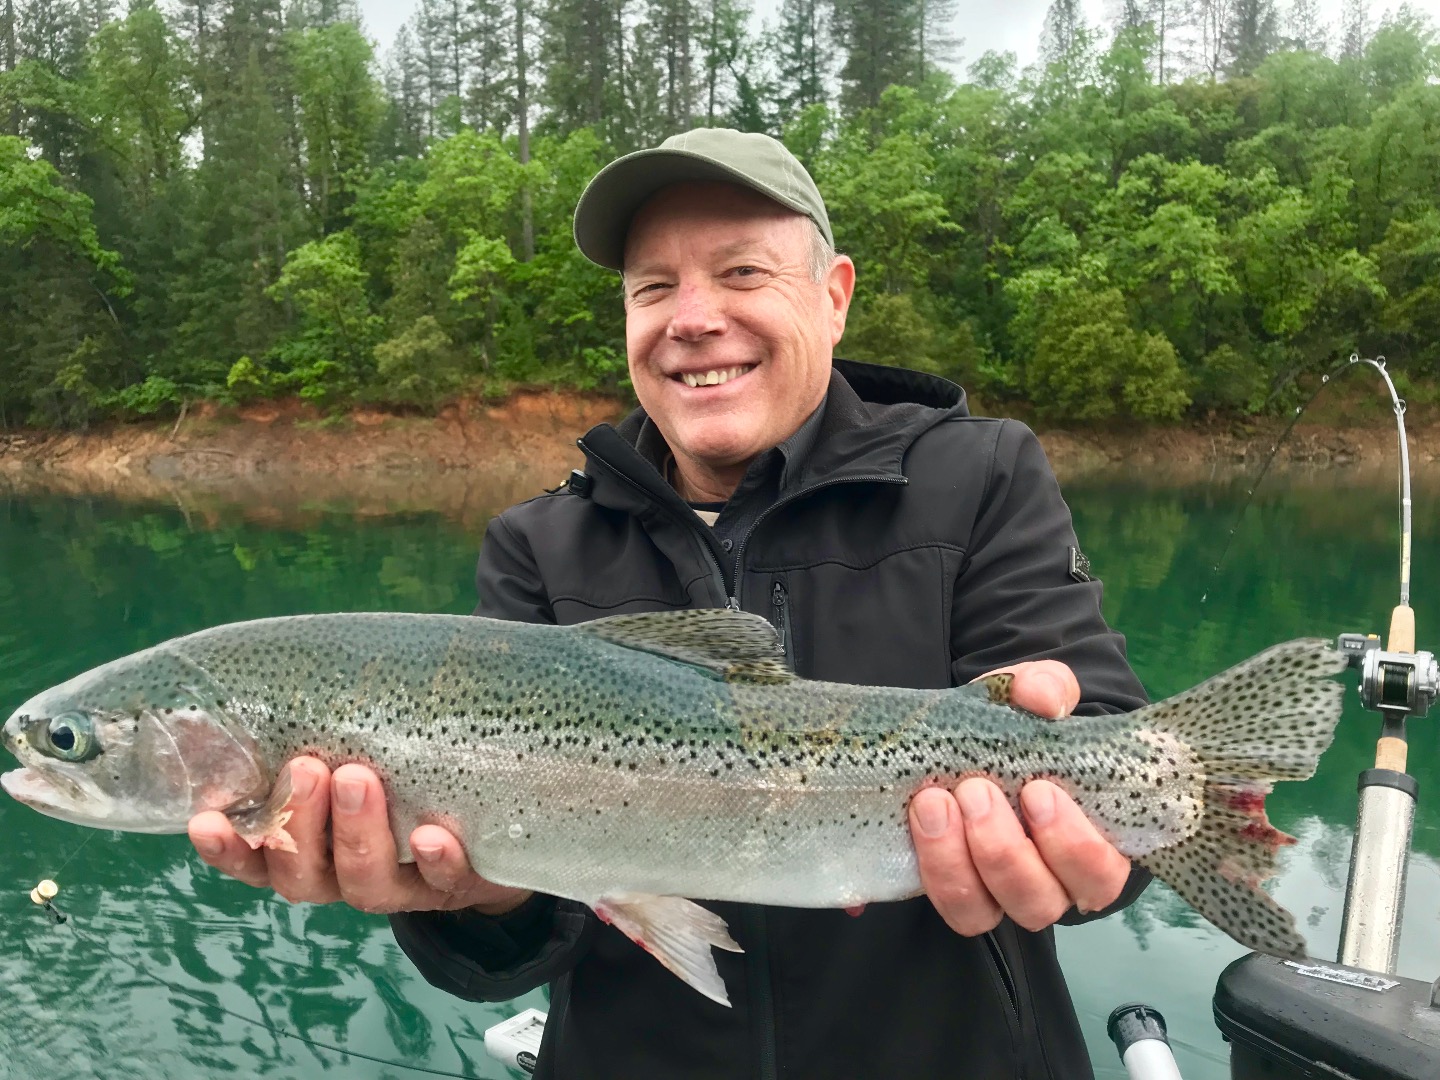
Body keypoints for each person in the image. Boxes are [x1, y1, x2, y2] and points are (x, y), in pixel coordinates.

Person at [189, 128, 1150, 1078]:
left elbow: (1121, 761)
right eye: (653, 288)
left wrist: (1098, 843)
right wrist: (473, 900)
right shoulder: (538, 545)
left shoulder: (977, 472)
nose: (691, 318)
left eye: (740, 273)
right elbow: (529, 939)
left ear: (835, 295)